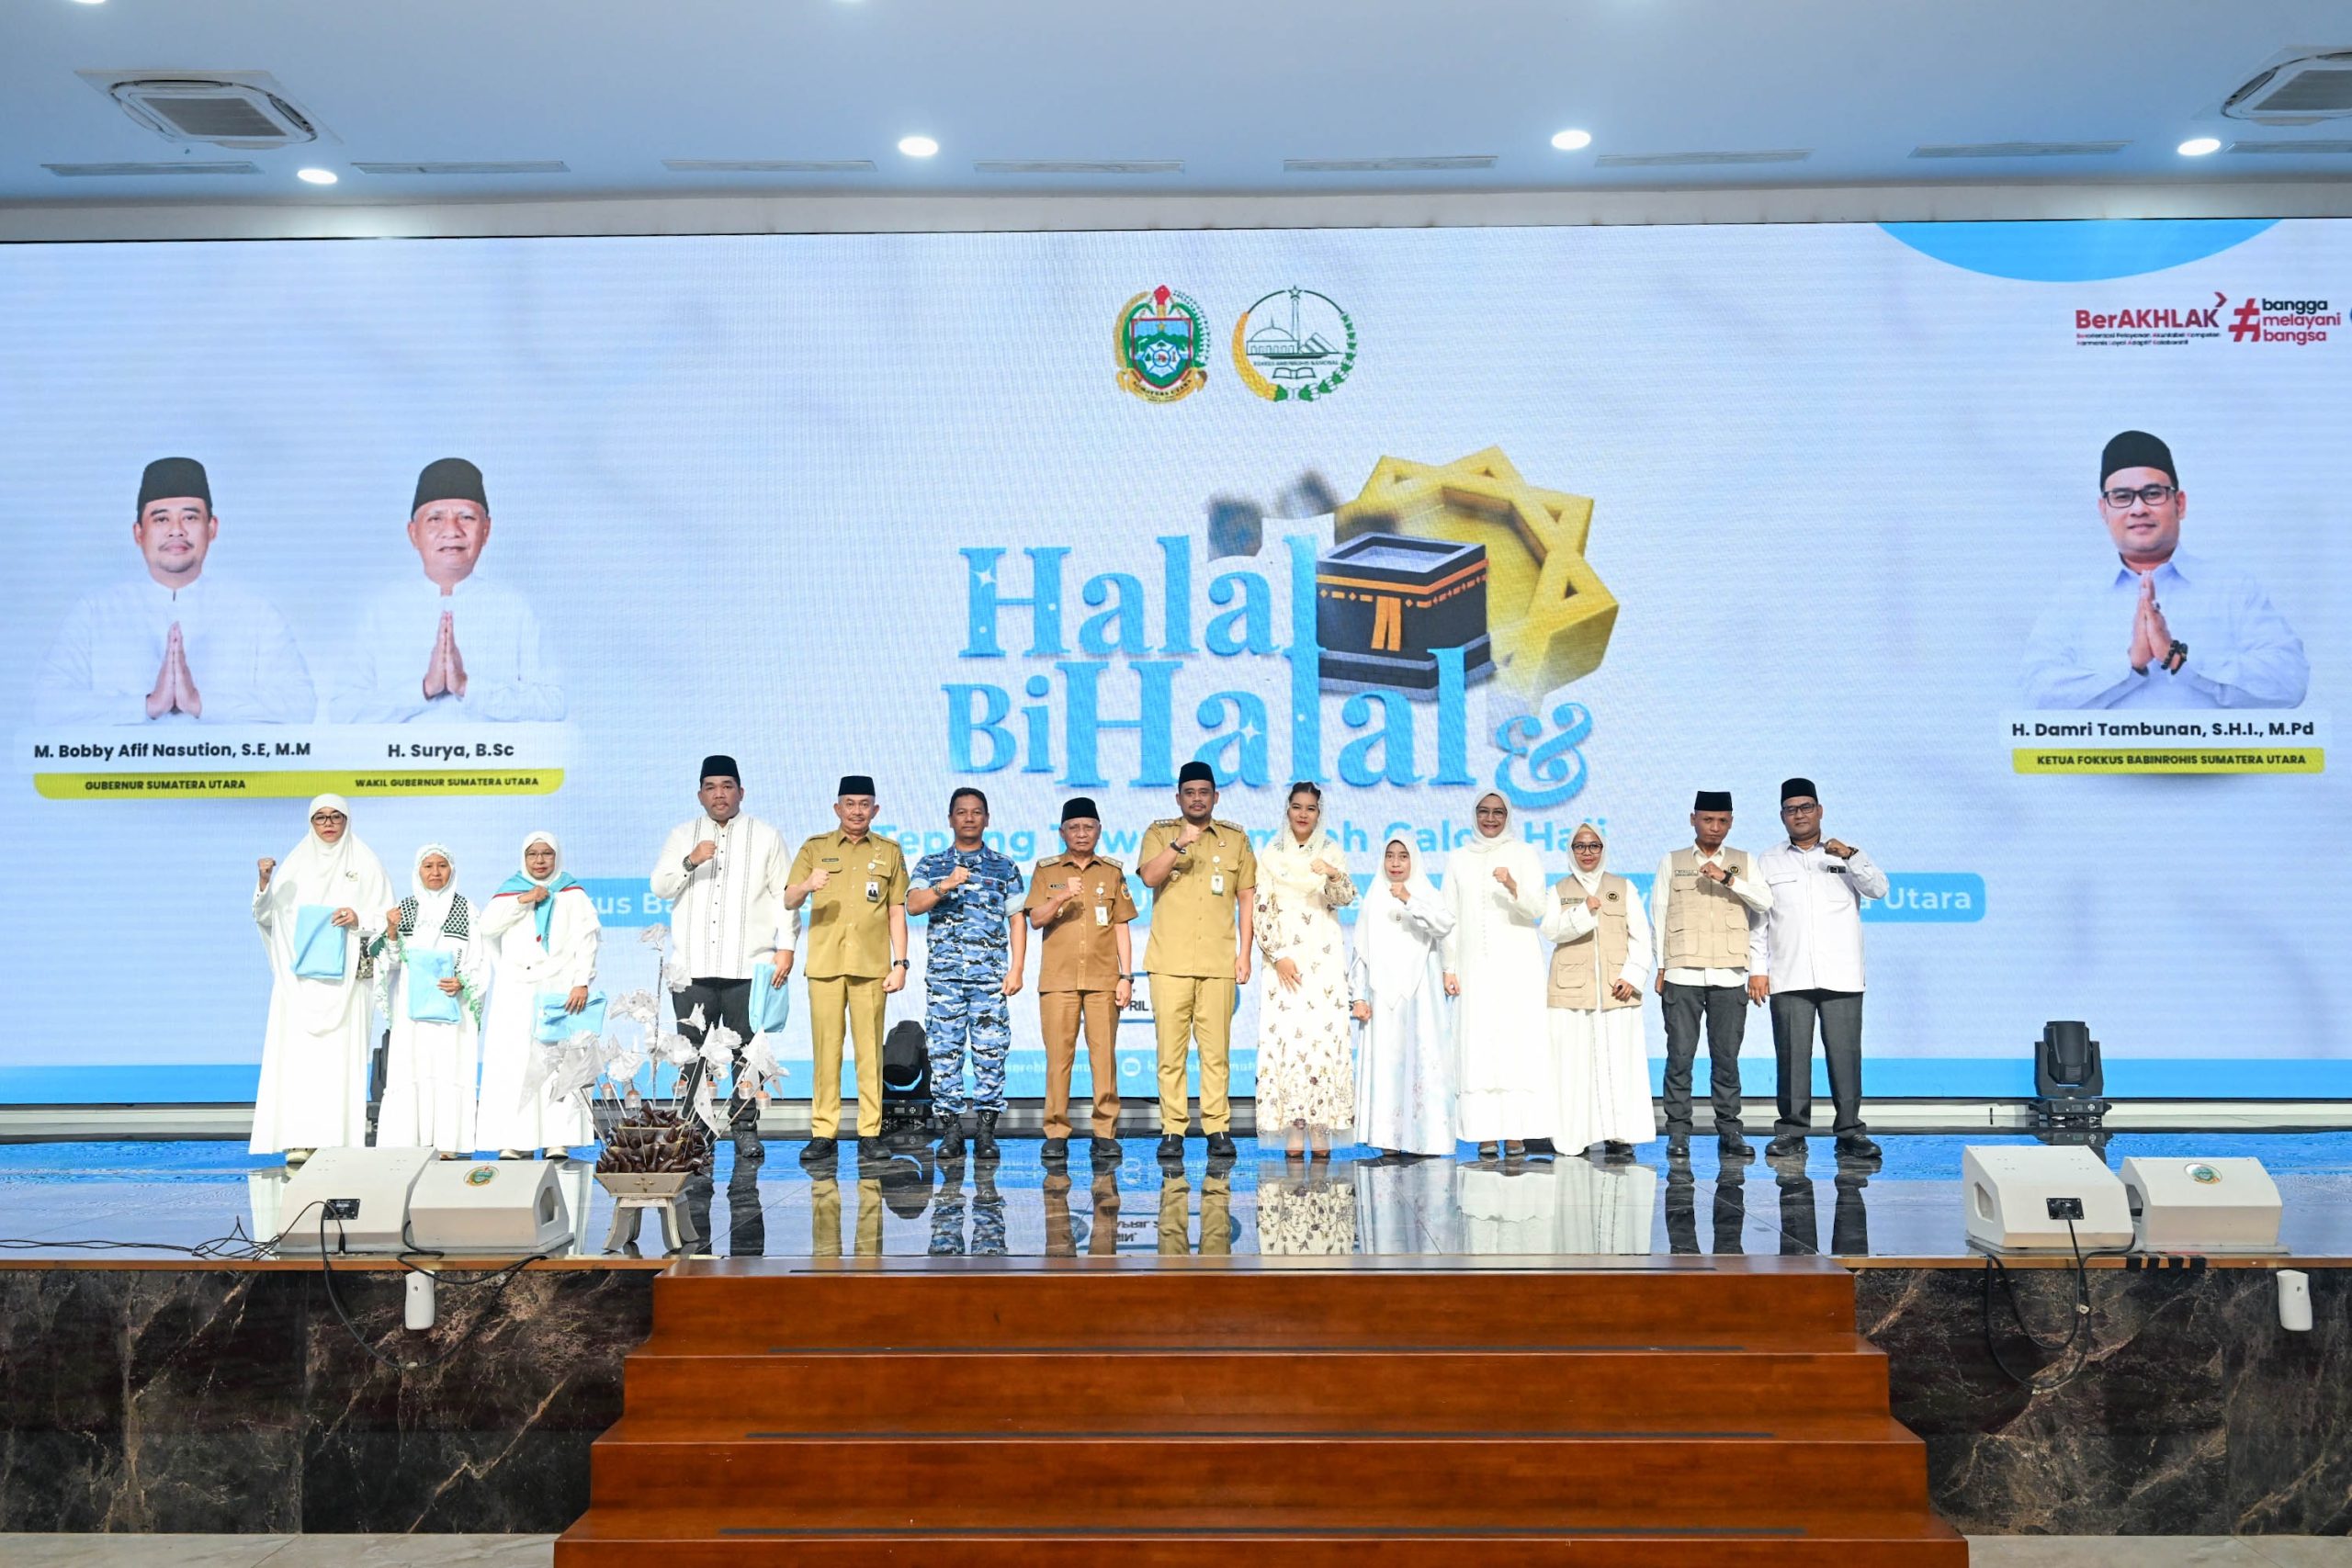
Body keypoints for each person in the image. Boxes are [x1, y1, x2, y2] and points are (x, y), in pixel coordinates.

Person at [2021, 430, 2307, 709]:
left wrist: (2177, 659)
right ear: (2104, 510)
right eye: (2121, 497)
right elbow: (2038, 693)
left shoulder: (2232, 589)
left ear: (2179, 504)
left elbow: (2289, 681)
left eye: (2153, 493)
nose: (2138, 509)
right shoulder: (2075, 598)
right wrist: (2130, 664)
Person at [38, 457, 314, 726]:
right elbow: (47, 706)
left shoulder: (255, 614)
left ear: (212, 528)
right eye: (161, 519)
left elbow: (302, 705)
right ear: (138, 533)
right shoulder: (95, 612)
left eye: (190, 517)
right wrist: (147, 706)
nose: (176, 531)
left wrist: (199, 703)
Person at [333, 458, 566, 722]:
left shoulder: (512, 608)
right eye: (435, 519)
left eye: (466, 517)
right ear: (413, 533)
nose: (452, 531)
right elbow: (343, 711)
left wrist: (468, 687)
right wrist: (423, 689)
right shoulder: (384, 610)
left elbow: (553, 704)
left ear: (486, 530)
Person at [649, 754, 796, 1162]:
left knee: (748, 1053)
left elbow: (785, 896)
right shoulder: (683, 835)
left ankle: (745, 1128)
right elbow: (660, 886)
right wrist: (691, 860)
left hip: (747, 965)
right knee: (691, 1053)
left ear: (741, 792)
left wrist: (787, 947)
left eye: (727, 786)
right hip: (691, 968)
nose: (719, 794)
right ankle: (693, 1131)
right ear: (700, 794)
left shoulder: (766, 836)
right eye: (711, 787)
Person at [250, 795, 391, 1163]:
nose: (328, 824)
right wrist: (264, 884)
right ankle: (298, 1139)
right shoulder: (294, 866)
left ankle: (335, 1141)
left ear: (347, 819)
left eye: (336, 817)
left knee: (339, 1063)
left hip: (348, 984)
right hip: (300, 986)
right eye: (321, 818)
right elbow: (268, 918)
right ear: (311, 822)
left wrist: (358, 918)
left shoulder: (366, 862)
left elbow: (387, 918)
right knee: (299, 1062)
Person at [1757, 778, 1888, 1161]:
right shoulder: (1768, 860)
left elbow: (1878, 889)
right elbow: (1759, 920)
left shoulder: (1845, 854)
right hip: (1789, 972)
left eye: (1806, 807)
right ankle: (1791, 1131)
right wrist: (1757, 969)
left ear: (1820, 811)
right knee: (1791, 1057)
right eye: (1791, 809)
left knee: (1845, 1057)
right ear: (1782, 816)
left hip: (1841, 974)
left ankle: (1850, 1132)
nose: (1799, 815)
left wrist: (1851, 855)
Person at [786, 775, 909, 1164]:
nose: (857, 811)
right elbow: (789, 899)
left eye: (864, 804)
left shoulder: (889, 851)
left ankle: (870, 1132)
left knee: (870, 1054)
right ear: (837, 808)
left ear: (876, 809)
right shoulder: (815, 848)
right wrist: (807, 884)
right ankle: (824, 1132)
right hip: (825, 966)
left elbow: (896, 910)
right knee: (826, 1052)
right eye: (850, 804)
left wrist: (901, 963)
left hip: (871, 968)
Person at [1137, 761, 1256, 1161]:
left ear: (1215, 797)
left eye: (1204, 792)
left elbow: (1246, 898)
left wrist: (1244, 953)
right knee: (1170, 1054)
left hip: (1218, 962)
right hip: (1169, 962)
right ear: (1178, 798)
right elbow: (1149, 878)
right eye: (1189, 793)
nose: (1197, 799)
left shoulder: (1235, 839)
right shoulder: (1159, 833)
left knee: (1216, 1053)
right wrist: (1178, 845)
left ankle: (1217, 1127)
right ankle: (1173, 1129)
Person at [1652, 790, 1773, 1158]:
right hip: (1682, 973)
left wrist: (1728, 879)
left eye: (1722, 820)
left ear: (1731, 822)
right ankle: (1678, 1132)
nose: (1714, 827)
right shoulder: (1672, 861)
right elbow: (1659, 914)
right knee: (1680, 1057)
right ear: (1693, 819)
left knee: (1726, 1059)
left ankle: (1730, 1130)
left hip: (1729, 974)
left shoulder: (1743, 861)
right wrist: (1661, 966)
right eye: (1707, 819)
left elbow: (1764, 904)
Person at [909, 787, 1027, 1161]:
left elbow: (1017, 920)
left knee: (991, 1054)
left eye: (977, 812)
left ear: (987, 819)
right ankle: (952, 1131)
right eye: (962, 812)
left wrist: (1017, 968)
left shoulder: (1004, 867)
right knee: (945, 1056)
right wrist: (944, 885)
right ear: (951, 819)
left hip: (990, 979)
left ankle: (986, 1131)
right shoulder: (932, 865)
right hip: (945, 981)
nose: (970, 818)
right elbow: (913, 905)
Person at [1025, 797, 1136, 1166]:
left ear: (1099, 830)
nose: (1082, 833)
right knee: (1059, 1059)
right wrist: (1061, 895)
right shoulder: (1047, 870)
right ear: (1062, 833)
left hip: (1104, 979)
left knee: (1104, 1058)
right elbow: (1035, 919)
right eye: (1074, 827)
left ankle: (1105, 1132)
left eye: (1088, 827)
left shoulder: (1112, 872)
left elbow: (1121, 926)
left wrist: (1126, 976)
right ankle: (1056, 1132)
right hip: (1058, 980)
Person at [1442, 792, 1552, 1160]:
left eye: (1498, 813)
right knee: (1479, 1045)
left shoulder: (1524, 854)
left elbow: (1538, 908)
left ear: (1508, 816)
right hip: (1474, 968)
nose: (1490, 819)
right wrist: (1448, 967)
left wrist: (1513, 885)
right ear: (1474, 815)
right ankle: (1485, 1132)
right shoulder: (1458, 858)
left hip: (1518, 967)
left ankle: (1516, 1133)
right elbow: (1449, 917)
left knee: (1515, 1045)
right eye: (1484, 812)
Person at [477, 830, 599, 1158]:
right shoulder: (511, 891)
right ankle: (514, 1140)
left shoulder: (572, 892)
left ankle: (557, 1138)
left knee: (557, 1063)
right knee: (514, 1062)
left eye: (547, 854)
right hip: (516, 989)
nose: (540, 860)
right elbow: (487, 927)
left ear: (557, 857)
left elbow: (587, 939)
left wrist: (582, 981)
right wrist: (524, 900)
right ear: (524, 858)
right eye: (533, 854)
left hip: (560, 987)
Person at [1538, 822, 1656, 1161]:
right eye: (1580, 846)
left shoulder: (1623, 887)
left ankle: (1620, 1135)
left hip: (1617, 991)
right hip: (1571, 992)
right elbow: (1551, 930)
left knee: (1619, 1065)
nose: (1587, 853)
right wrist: (1583, 911)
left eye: (1593, 846)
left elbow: (1641, 937)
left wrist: (1632, 976)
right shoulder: (1558, 890)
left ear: (1603, 849)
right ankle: (1576, 1137)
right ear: (1571, 851)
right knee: (1574, 1067)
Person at [1253, 782, 1357, 1158]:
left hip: (1322, 958)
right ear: (1287, 810)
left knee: (1322, 1038)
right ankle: (1294, 1128)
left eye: (1310, 808)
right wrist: (1278, 954)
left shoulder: (1331, 851)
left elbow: (1344, 898)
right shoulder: (1270, 854)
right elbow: (1261, 906)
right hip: (1284, 961)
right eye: (1297, 807)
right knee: (1289, 1038)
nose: (1303, 814)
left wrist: (1332, 873)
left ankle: (1320, 1125)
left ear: (1319, 813)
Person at [369, 843, 487, 1157]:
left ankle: (448, 1144)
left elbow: (480, 959)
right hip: (412, 1012)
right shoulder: (403, 909)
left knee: (450, 1068)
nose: (435, 872)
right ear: (418, 870)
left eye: (442, 865)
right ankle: (408, 1143)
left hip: (453, 1006)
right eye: (428, 866)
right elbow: (390, 962)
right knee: (412, 1068)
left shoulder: (467, 910)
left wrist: (463, 981)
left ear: (452, 870)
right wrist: (391, 931)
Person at [1350, 833, 1457, 1159]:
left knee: (1422, 1061)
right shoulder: (1373, 897)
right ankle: (1388, 1138)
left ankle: (1427, 1139)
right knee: (1387, 1062)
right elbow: (1361, 951)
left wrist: (1409, 899)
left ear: (1414, 860)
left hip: (1421, 994)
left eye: (1403, 856)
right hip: (1382, 997)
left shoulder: (1426, 892)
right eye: (1390, 856)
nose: (1395, 863)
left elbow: (1444, 925)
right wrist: (1358, 996)